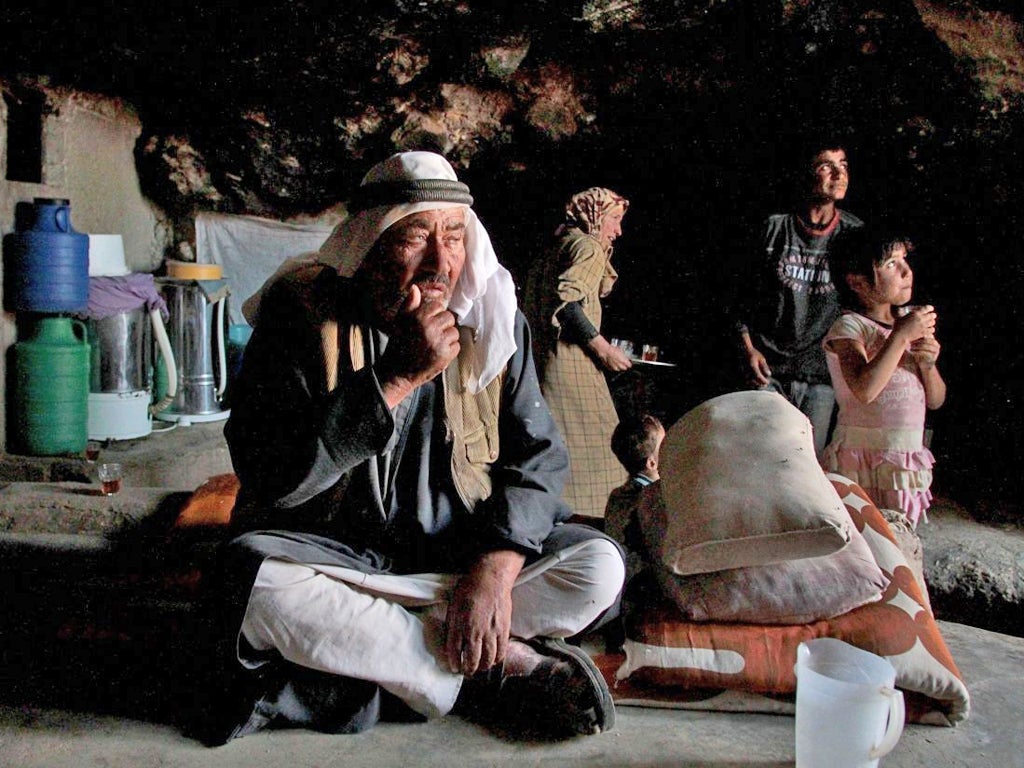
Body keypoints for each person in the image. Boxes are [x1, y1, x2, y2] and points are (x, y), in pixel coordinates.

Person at [211, 151, 625, 744]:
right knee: (251, 583)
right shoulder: (300, 316)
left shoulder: (495, 319)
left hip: (461, 556)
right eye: (415, 238)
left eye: (455, 237)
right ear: (369, 244)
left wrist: (497, 568)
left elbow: (538, 458)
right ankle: (489, 667)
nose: (440, 262)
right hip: (341, 561)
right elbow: (274, 477)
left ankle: (403, 652)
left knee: (601, 567)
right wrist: (396, 376)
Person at [731, 138, 864, 457]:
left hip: (819, 374)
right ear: (807, 174)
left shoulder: (853, 233)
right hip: (768, 370)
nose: (838, 174)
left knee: (803, 466)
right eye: (826, 166)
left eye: (843, 165)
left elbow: (862, 304)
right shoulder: (774, 228)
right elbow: (738, 295)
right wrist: (748, 349)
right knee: (759, 458)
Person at [821, 227, 946, 528]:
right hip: (861, 463)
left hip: (903, 462)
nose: (906, 271)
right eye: (891, 264)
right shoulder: (850, 328)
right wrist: (900, 337)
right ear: (858, 282)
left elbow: (936, 400)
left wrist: (928, 365)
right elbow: (864, 390)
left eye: (904, 260)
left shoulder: (907, 326)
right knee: (865, 543)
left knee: (901, 541)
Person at [522, 187, 632, 518]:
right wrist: (603, 349)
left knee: (552, 446)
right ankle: (600, 523)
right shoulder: (587, 247)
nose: (618, 230)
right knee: (605, 452)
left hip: (541, 366)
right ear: (595, 216)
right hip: (572, 370)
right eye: (614, 220)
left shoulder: (554, 247)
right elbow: (567, 302)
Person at [604, 413, 665, 584]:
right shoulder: (654, 498)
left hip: (619, 581)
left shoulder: (617, 496)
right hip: (644, 585)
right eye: (665, 445)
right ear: (652, 463)